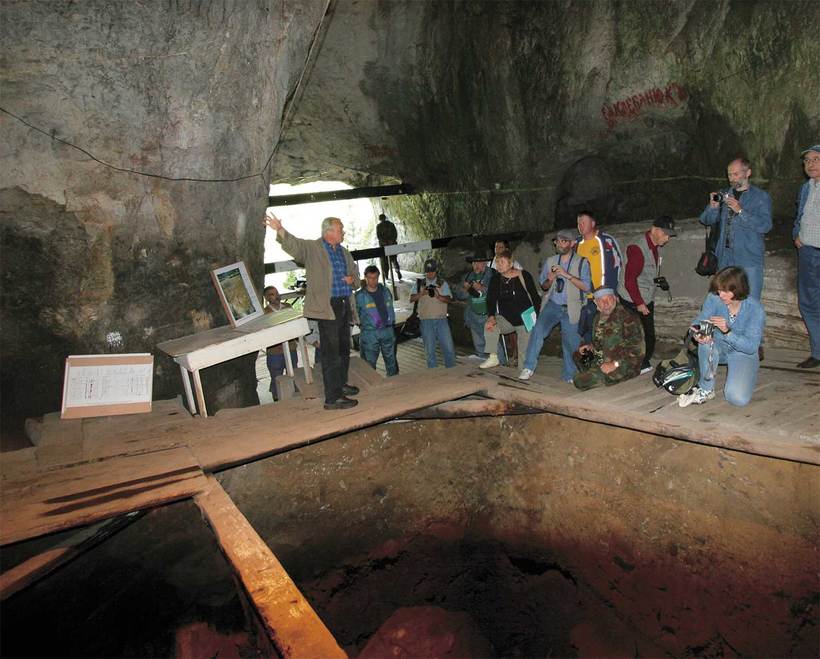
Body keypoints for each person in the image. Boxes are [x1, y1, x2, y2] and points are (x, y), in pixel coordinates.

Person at [264, 211, 361, 410]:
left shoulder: (344, 252)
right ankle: (333, 398)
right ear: (329, 232)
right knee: (331, 353)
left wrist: (353, 280)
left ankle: (340, 384)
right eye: (340, 228)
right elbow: (295, 246)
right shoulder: (313, 248)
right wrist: (280, 229)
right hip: (328, 307)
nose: (343, 232)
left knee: (343, 348)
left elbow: (356, 278)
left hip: (344, 304)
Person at [678, 267, 765, 408]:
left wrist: (727, 331)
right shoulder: (714, 298)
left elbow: (750, 347)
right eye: (719, 290)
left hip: (743, 353)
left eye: (726, 291)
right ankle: (706, 388)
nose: (721, 295)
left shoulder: (755, 309)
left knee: (736, 399)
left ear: (738, 289)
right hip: (718, 346)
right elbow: (699, 321)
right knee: (706, 343)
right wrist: (697, 333)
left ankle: (747, 372)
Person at [519, 230, 591, 382]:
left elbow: (586, 287)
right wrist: (550, 279)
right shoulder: (551, 261)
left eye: (564, 241)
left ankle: (569, 374)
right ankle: (528, 367)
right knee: (538, 329)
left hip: (572, 306)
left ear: (572, 243)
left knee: (570, 341)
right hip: (553, 305)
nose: (559, 243)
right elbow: (544, 286)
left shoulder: (582, 262)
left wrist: (566, 275)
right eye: (557, 241)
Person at [699, 157, 772, 300]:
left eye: (735, 174)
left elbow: (765, 225)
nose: (731, 178)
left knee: (750, 300)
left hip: (748, 257)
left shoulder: (760, 197)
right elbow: (705, 220)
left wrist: (740, 211)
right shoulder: (723, 194)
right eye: (729, 174)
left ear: (748, 173)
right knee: (722, 300)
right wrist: (713, 208)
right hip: (724, 257)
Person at [617, 216, 677, 374]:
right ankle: (634, 365)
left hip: (645, 295)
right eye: (666, 234)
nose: (668, 238)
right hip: (632, 298)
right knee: (637, 335)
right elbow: (629, 280)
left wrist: (656, 281)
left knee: (648, 335)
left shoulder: (654, 245)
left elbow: (645, 271)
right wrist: (639, 304)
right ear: (655, 230)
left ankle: (641, 364)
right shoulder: (637, 248)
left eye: (670, 235)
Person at [479, 251, 541, 369]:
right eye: (497, 262)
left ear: (511, 263)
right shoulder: (496, 279)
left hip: (525, 321)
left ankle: (524, 376)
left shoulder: (524, 275)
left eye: (502, 262)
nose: (499, 265)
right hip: (506, 318)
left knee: (524, 355)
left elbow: (535, 297)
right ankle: (493, 357)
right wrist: (491, 316)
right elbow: (490, 299)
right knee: (489, 326)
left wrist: (537, 318)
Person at [572, 288, 644, 390]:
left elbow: (638, 350)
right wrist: (590, 347)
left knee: (579, 381)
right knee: (578, 355)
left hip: (622, 365)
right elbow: (599, 341)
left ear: (615, 299)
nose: (606, 303)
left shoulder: (628, 318)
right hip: (602, 359)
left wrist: (614, 364)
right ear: (596, 302)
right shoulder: (598, 317)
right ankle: (597, 374)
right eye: (601, 300)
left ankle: (612, 377)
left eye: (609, 299)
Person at [574, 210, 623, 344]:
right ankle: (593, 359)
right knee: (587, 331)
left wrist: (615, 291)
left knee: (608, 330)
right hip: (585, 297)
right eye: (578, 223)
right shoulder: (576, 244)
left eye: (583, 222)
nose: (580, 225)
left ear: (593, 223)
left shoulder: (606, 241)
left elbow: (618, 265)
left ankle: (610, 359)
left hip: (604, 296)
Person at [793, 144, 820, 369]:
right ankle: (818, 352)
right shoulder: (806, 188)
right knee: (809, 303)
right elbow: (799, 215)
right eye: (807, 161)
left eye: (815, 159)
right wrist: (796, 235)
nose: (810, 164)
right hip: (808, 253)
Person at [409, 258, 456, 368]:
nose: (430, 273)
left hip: (442, 320)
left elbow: (449, 299)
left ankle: (452, 373)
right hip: (426, 321)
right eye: (428, 271)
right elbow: (411, 299)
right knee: (430, 351)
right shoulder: (420, 283)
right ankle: (433, 375)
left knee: (449, 348)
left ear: (436, 270)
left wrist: (438, 296)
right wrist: (421, 293)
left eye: (432, 271)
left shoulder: (442, 283)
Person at [355, 265, 398, 376]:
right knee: (368, 364)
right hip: (370, 333)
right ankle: (371, 386)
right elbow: (354, 314)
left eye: (375, 277)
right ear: (365, 277)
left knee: (392, 361)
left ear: (378, 276)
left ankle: (395, 384)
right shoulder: (359, 296)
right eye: (370, 277)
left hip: (388, 330)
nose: (373, 280)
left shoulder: (386, 291)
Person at [453, 256, 493, 358]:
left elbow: (497, 293)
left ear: (484, 262)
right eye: (473, 262)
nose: (475, 265)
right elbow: (460, 295)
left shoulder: (493, 274)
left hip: (489, 316)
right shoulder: (468, 276)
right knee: (479, 347)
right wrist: (465, 289)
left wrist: (482, 288)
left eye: (478, 262)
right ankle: (482, 364)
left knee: (493, 347)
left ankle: (501, 366)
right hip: (473, 316)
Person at [262, 286, 298, 397]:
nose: (276, 296)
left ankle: (294, 395)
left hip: (290, 347)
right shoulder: (265, 312)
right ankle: (277, 398)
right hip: (275, 350)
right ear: (266, 297)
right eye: (272, 294)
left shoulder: (288, 307)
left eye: (276, 293)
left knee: (293, 373)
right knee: (276, 376)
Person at [376, 213, 402, 281]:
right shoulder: (391, 224)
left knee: (385, 262)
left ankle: (386, 275)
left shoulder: (378, 226)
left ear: (380, 219)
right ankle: (397, 271)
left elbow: (379, 237)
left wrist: (385, 242)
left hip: (384, 246)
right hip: (392, 244)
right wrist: (391, 241)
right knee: (394, 260)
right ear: (385, 218)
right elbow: (395, 234)